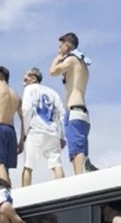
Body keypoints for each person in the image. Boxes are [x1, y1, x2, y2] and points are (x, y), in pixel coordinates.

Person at [49, 31, 93, 172]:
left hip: (75, 110)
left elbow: (53, 71)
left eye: (60, 46)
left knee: (77, 150)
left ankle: (81, 178)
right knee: (75, 151)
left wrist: (58, 58)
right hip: (79, 111)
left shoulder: (72, 60)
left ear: (67, 46)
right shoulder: (82, 64)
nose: (58, 50)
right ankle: (79, 175)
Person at [19, 66, 67, 186]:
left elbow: (26, 110)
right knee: (56, 164)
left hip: (35, 130)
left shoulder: (30, 89)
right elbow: (61, 114)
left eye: (25, 79)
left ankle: (25, 195)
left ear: (34, 78)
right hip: (52, 131)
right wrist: (61, 136)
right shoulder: (53, 93)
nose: (23, 82)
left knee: (28, 166)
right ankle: (63, 191)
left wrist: (24, 133)